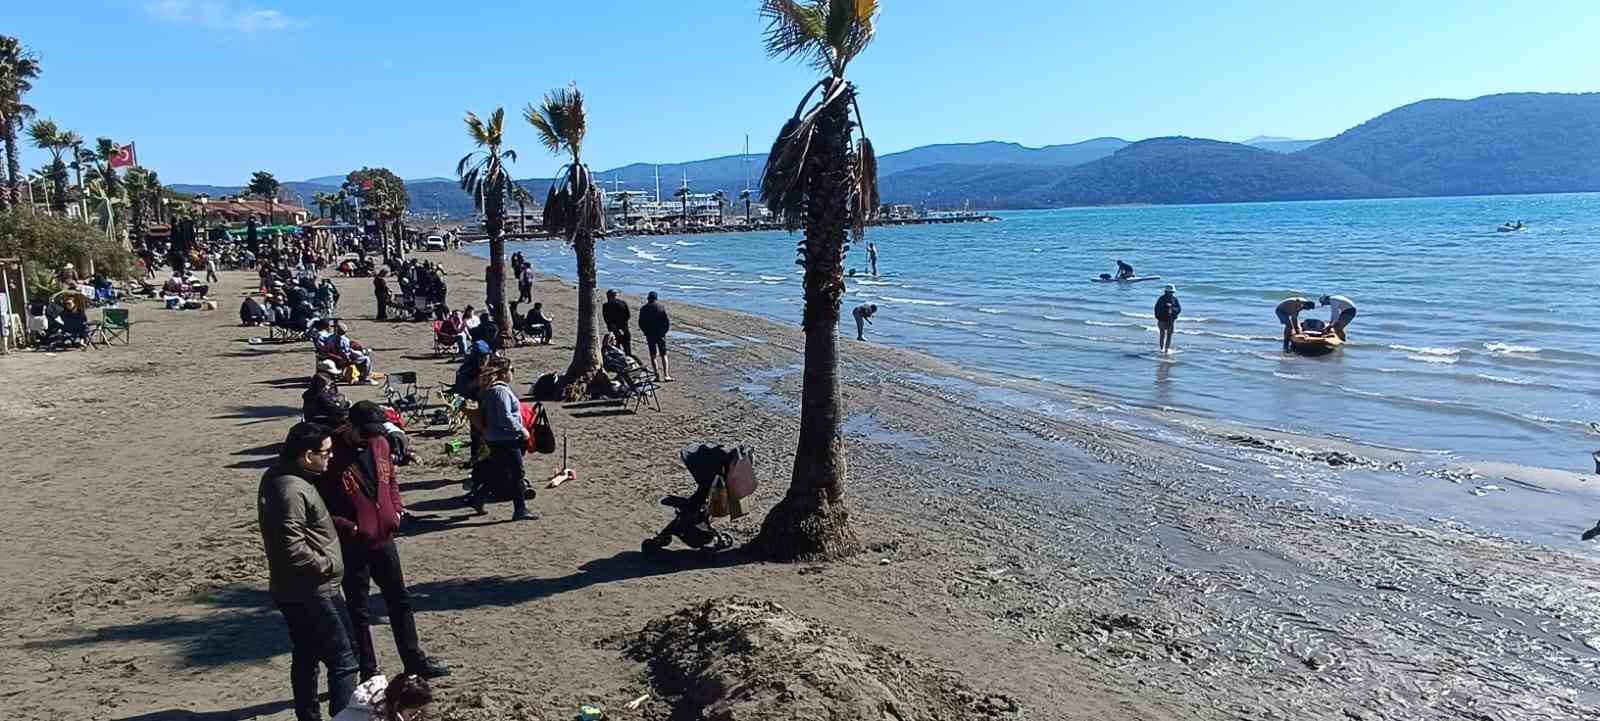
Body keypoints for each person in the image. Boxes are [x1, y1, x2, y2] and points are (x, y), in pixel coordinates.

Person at [320, 402, 449, 682]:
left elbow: (390, 479)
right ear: (349, 426)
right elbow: (321, 506)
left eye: (374, 431)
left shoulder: (380, 444)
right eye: (364, 432)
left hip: (385, 538)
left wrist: (397, 507)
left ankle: (414, 660)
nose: (370, 437)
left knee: (400, 600)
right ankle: (368, 670)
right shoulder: (330, 455)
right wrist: (349, 527)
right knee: (359, 610)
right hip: (353, 545)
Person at [258, 422, 359, 721]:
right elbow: (292, 548)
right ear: (307, 456)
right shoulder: (291, 489)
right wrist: (327, 565)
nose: (330, 457)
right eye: (326, 452)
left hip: (292, 589)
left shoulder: (279, 477)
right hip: (315, 590)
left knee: (306, 655)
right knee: (344, 659)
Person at [466, 359, 535, 520]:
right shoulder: (500, 391)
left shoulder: (490, 390)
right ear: (503, 373)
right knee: (518, 473)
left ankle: (478, 498)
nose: (512, 373)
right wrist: (521, 429)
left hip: (494, 437)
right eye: (512, 369)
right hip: (505, 438)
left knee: (497, 470)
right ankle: (520, 509)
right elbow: (505, 417)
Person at [332, 672, 434, 721]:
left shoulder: (385, 700)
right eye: (413, 714)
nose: (417, 718)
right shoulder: (375, 716)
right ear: (397, 705)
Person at [638, 291, 673, 381]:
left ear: (648, 298)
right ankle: (666, 375)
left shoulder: (644, 308)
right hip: (660, 334)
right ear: (656, 298)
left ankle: (657, 375)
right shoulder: (660, 308)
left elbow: (641, 323)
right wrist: (664, 332)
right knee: (663, 354)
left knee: (653, 355)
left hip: (650, 334)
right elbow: (666, 322)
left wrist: (645, 332)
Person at [603, 289, 632, 357]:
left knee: (616, 349)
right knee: (627, 349)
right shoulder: (622, 303)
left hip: (614, 330)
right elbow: (628, 316)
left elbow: (606, 319)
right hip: (623, 329)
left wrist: (614, 326)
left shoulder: (606, 306)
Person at [1154, 285, 1181, 353]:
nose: (1170, 294)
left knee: (1169, 335)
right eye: (1169, 292)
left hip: (1171, 320)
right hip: (1162, 320)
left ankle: (1166, 349)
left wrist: (1172, 309)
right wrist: (1161, 316)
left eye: (1171, 292)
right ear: (1166, 292)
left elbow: (1179, 309)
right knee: (1162, 334)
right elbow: (1157, 309)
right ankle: (1161, 348)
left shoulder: (1174, 299)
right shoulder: (1161, 299)